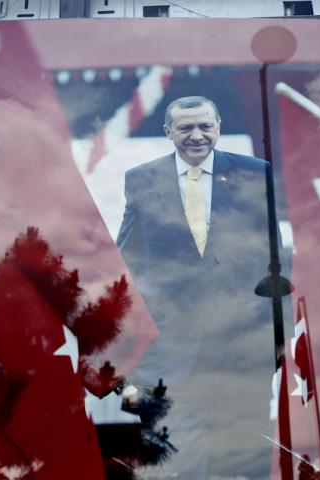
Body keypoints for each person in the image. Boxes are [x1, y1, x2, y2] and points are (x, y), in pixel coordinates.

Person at [117, 96, 277, 479]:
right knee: (174, 459)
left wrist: (278, 340)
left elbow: (273, 262)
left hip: (241, 345)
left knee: (243, 456)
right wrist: (126, 345)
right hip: (169, 350)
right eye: (185, 127)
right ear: (168, 131)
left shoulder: (255, 173)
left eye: (205, 126)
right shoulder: (141, 179)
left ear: (218, 126)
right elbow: (126, 264)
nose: (197, 135)